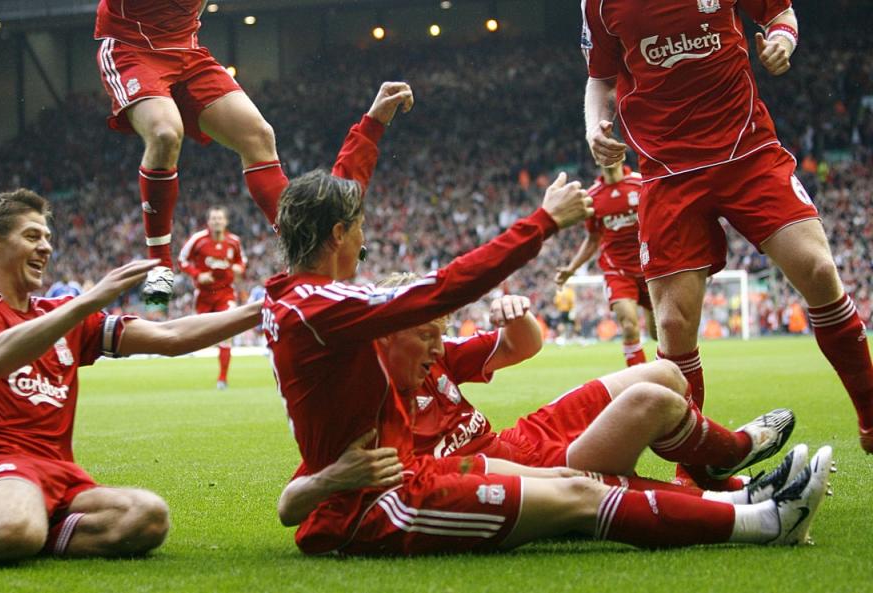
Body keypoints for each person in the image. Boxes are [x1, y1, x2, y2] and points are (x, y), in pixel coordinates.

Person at [264, 90, 832, 555]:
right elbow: (444, 287)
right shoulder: (326, 312)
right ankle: (761, 517)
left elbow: (342, 203)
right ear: (338, 235)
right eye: (355, 226)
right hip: (385, 502)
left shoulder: (306, 303)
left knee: (581, 481)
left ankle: (744, 501)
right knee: (582, 496)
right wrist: (540, 224)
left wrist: (371, 126)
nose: (365, 236)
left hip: (437, 469)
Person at [581, 0, 873, 453]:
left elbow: (781, 12)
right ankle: (694, 470)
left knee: (817, 269)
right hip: (667, 170)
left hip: (748, 152)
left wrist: (781, 40)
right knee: (674, 324)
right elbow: (599, 77)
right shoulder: (598, 4)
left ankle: (871, 414)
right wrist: (594, 127)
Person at [0, 189, 262, 560]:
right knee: (14, 528)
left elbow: (170, 336)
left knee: (147, 516)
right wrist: (88, 301)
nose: (46, 248)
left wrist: (265, 306)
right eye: (32, 236)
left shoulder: (63, 313)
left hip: (59, 471)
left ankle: (24, 527)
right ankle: (5, 524)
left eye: (48, 238)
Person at [276, 282, 800, 526]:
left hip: (524, 437)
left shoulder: (434, 357)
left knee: (665, 373)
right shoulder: (364, 403)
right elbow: (297, 502)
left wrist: (516, 315)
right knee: (650, 401)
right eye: (427, 335)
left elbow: (523, 346)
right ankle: (732, 461)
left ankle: (718, 475)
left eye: (441, 334)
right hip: (529, 467)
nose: (439, 347)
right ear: (385, 339)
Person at [94, 0, 288, 305]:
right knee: (165, 133)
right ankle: (159, 266)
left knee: (259, 135)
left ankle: (301, 241)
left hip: (186, 51)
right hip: (131, 50)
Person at [556, 161, 656, 366]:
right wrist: (571, 268)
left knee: (659, 333)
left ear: (620, 154)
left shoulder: (640, 183)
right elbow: (593, 239)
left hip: (649, 265)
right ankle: (641, 385)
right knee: (629, 327)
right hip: (617, 270)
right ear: (596, 159)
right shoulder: (592, 196)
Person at [179, 206, 247, 389]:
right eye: (214, 219)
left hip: (225, 293)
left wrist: (239, 268)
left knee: (227, 334)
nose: (217, 221)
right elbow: (182, 260)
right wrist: (197, 274)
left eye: (220, 218)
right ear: (208, 222)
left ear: (226, 222)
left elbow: (242, 261)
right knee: (199, 333)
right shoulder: (198, 240)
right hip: (203, 295)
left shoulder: (234, 241)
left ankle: (222, 379)